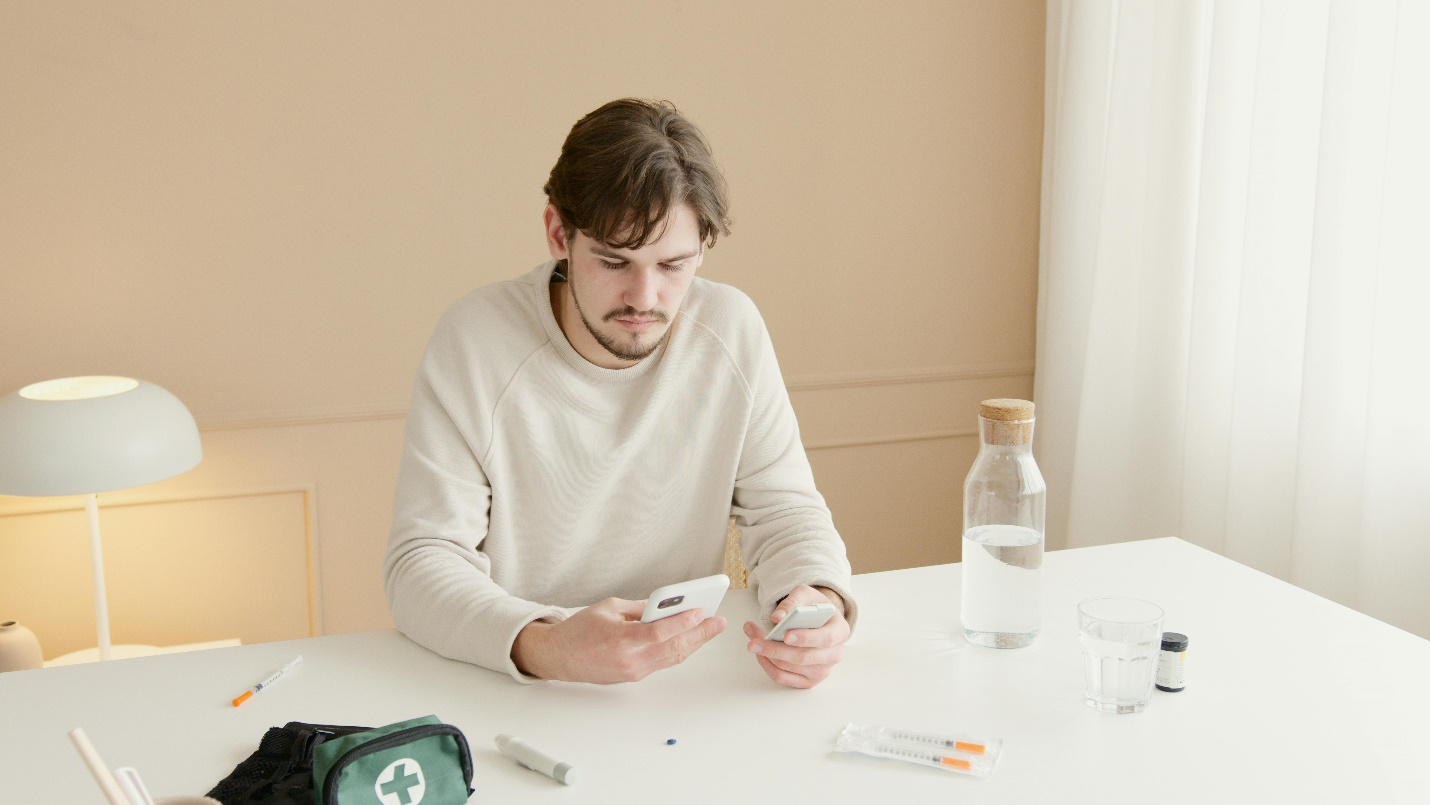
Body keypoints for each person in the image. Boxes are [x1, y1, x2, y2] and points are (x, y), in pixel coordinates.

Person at [383, 98, 856, 688]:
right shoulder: (476, 340)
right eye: (614, 260)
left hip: (681, 685)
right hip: (513, 687)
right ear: (559, 233)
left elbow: (785, 509)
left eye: (673, 265)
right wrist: (548, 646)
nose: (644, 297)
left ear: (703, 248)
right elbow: (420, 563)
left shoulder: (730, 329)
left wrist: (818, 601)